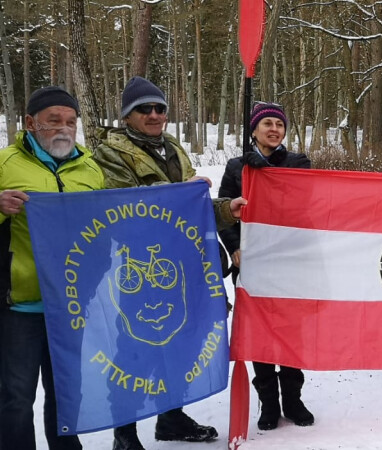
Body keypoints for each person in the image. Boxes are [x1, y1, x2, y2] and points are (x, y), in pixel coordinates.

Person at [92, 76, 244, 450]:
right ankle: (124, 432)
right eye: (144, 109)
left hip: (186, 260)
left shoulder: (173, 147)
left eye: (160, 108)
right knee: (136, 347)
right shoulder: (110, 153)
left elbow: (192, 207)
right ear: (127, 115)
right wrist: (169, 195)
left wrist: (226, 209)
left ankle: (170, 418)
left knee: (184, 342)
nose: (155, 114)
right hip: (141, 266)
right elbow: (117, 206)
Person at [0, 86, 104, 450]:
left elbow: (113, 221)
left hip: (71, 305)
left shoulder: (90, 167)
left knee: (66, 394)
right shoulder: (5, 163)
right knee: (15, 397)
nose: (63, 129)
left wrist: (195, 199)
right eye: (53, 121)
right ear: (30, 123)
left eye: (71, 121)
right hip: (20, 305)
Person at [218, 101, 315, 430]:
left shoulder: (298, 163)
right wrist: (234, 248)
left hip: (291, 264)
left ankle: (293, 398)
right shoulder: (236, 168)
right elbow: (224, 213)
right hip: (254, 265)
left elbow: (307, 203)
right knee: (259, 333)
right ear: (254, 130)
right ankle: (269, 403)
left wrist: (264, 171)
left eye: (279, 124)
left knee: (290, 335)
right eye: (267, 123)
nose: (274, 129)